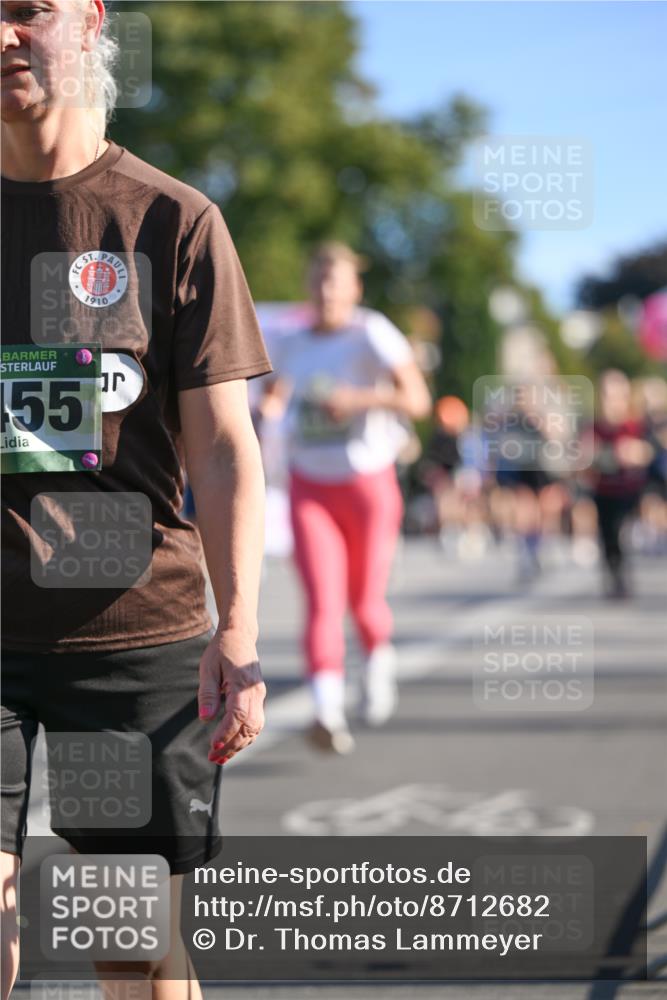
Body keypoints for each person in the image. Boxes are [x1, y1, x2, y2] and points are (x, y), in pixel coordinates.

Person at [1, 3, 272, 998]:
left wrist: (238, 628)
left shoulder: (172, 221)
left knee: (128, 945)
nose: (3, 36)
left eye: (25, 9)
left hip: (125, 632)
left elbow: (225, 449)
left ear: (88, 22)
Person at [261, 242, 431, 753]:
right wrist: (270, 419)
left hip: (367, 485)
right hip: (310, 486)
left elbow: (417, 400)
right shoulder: (292, 340)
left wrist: (358, 398)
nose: (326, 290)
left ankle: (378, 658)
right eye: (318, 280)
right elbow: (272, 393)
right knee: (320, 601)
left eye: (336, 281)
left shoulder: (371, 331)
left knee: (363, 601)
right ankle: (326, 711)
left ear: (354, 288)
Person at [582, 370, 652, 598]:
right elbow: (583, 458)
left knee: (622, 532)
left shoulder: (635, 425)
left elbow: (650, 450)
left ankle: (622, 574)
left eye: (618, 395)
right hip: (604, 490)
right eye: (608, 395)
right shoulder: (594, 427)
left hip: (630, 491)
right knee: (607, 536)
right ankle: (613, 574)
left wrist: (636, 452)